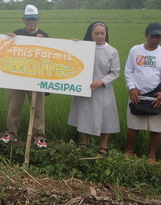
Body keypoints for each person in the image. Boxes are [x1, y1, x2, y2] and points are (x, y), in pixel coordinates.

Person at [68, 22, 120, 155]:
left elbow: (115, 72)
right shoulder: (85, 48)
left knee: (106, 117)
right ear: (91, 34)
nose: (99, 36)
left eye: (102, 33)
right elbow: (71, 57)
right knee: (85, 114)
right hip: (86, 88)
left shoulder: (112, 51)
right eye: (96, 33)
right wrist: (75, 45)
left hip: (103, 90)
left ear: (106, 34)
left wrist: (101, 81)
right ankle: (84, 142)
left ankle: (103, 146)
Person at [0, 5, 48, 148]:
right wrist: (9, 40)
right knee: (14, 108)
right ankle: (11, 134)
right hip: (18, 79)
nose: (31, 22)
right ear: (23, 19)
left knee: (38, 110)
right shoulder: (17, 34)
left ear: (38, 19)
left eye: (33, 19)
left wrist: (43, 42)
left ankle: (39, 137)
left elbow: (49, 57)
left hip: (36, 80)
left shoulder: (44, 36)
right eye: (28, 19)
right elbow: (9, 52)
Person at [125, 22, 161, 163]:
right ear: (146, 35)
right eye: (153, 36)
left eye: (158, 37)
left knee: (156, 128)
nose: (155, 40)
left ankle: (152, 155)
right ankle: (129, 151)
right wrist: (131, 87)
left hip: (156, 96)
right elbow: (128, 70)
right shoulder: (136, 50)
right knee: (133, 126)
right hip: (137, 94)